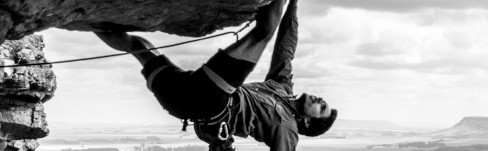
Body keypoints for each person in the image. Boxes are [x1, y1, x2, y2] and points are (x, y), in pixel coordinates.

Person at [93, 0, 336, 150]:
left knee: (262, 34)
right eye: (325, 102)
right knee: (139, 46)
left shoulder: (287, 129)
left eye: (322, 108)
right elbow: (286, 48)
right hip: (182, 98)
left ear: (306, 122)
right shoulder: (282, 87)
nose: (321, 100)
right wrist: (292, 6)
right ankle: (87, 15)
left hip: (210, 101)